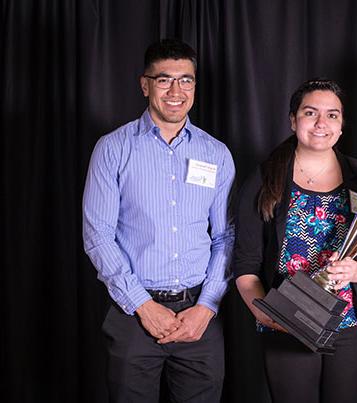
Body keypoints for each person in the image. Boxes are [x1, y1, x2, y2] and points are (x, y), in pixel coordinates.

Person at [82, 38, 235, 403]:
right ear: (145, 84)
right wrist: (142, 305)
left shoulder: (216, 153)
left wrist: (208, 305)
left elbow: (226, 236)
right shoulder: (113, 149)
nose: (176, 91)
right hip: (133, 315)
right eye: (164, 79)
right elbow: (98, 234)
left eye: (186, 80)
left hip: (200, 318)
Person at [232, 78, 357, 403]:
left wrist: (354, 271)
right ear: (293, 119)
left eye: (332, 115)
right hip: (288, 322)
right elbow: (246, 263)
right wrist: (266, 315)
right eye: (311, 113)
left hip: (354, 322)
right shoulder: (264, 179)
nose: (321, 123)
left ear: (342, 125)